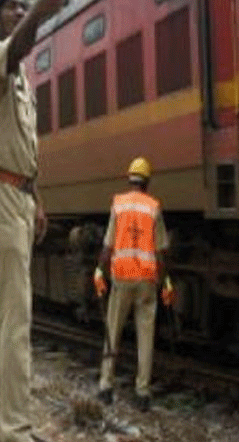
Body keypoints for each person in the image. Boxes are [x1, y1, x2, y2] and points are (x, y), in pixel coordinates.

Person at [0, 0, 65, 442]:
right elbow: (18, 45)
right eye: (10, 7)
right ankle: (17, 430)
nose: (18, 11)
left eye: (22, 6)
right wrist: (39, 15)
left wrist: (36, 197)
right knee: (16, 319)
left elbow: (22, 146)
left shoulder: (23, 82)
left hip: (15, 197)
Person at [93, 157, 175, 412]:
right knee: (145, 336)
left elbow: (108, 246)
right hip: (146, 282)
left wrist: (99, 270)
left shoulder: (118, 204)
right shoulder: (153, 207)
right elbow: (161, 252)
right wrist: (167, 282)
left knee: (113, 331)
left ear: (129, 178)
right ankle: (142, 393)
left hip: (121, 279)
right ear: (147, 181)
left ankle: (106, 386)